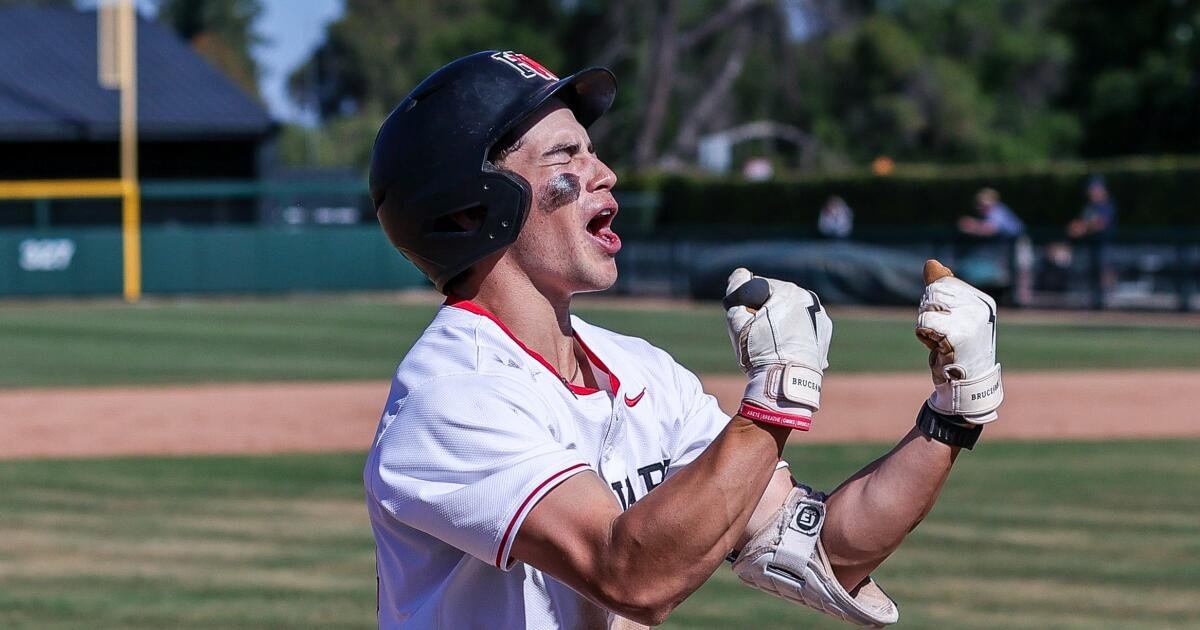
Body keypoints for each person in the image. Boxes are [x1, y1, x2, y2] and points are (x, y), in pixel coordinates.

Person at [364, 50, 1005, 629]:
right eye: (565, 156)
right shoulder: (454, 395)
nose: (604, 173)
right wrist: (777, 394)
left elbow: (824, 550)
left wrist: (953, 413)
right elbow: (631, 576)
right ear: (470, 208)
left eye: (592, 150)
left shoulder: (639, 371)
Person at [957, 188, 1024, 239]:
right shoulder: (995, 210)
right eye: (978, 204)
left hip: (1017, 241)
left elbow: (991, 230)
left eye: (981, 204)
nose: (978, 207)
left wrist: (972, 227)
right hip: (1009, 241)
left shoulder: (996, 211)